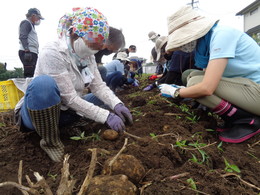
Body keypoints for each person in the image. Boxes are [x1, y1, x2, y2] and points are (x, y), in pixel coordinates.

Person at [14, 7, 133, 162]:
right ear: (75, 34)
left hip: (65, 112)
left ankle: (70, 123)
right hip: (36, 114)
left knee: (102, 98)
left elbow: (98, 86)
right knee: (43, 84)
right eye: (92, 45)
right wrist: (105, 115)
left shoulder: (86, 57)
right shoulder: (53, 52)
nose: (94, 51)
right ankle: (51, 141)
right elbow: (69, 98)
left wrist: (117, 104)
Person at [158, 5, 260, 143]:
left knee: (196, 83)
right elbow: (205, 74)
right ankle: (238, 114)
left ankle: (245, 120)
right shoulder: (206, 44)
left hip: (256, 91)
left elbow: (207, 87)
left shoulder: (222, 35)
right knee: (190, 75)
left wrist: (176, 92)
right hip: (244, 86)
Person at [18, 8, 44, 78]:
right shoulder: (26, 23)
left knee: (33, 73)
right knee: (29, 74)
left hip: (32, 52)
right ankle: (28, 88)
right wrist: (27, 50)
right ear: (33, 16)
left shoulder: (31, 25)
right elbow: (23, 36)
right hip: (28, 52)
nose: (38, 20)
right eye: (38, 18)